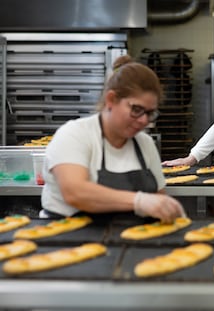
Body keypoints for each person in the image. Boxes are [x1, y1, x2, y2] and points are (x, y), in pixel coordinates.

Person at [40, 55, 185, 223]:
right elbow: (75, 193)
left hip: (130, 242)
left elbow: (159, 200)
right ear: (111, 100)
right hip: (67, 242)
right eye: (137, 109)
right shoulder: (75, 135)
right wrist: (139, 201)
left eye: (150, 113)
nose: (144, 120)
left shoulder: (144, 144)